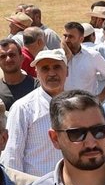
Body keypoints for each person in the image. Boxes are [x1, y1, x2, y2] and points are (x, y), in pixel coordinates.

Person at [2, 47, 69, 176]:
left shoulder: (77, 104)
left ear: (67, 71)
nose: (52, 73)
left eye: (57, 67)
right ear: (37, 73)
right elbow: (11, 157)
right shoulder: (24, 108)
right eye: (45, 69)